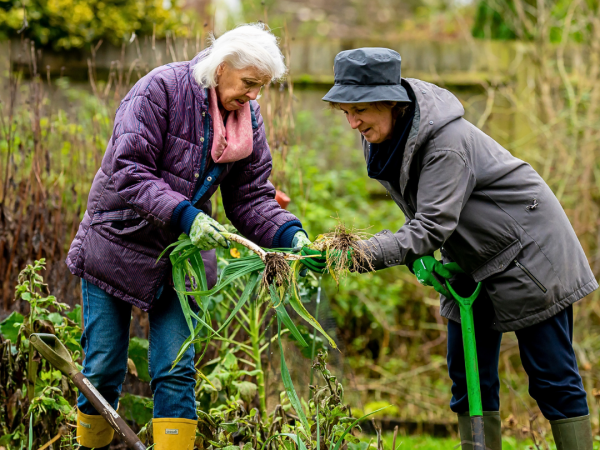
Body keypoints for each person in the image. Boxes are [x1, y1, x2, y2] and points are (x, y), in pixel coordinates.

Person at [305, 47, 598, 450]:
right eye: (345, 113)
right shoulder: (385, 139)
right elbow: (428, 214)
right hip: (472, 259)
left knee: (552, 377)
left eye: (360, 111)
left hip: (531, 253)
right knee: (467, 376)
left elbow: (430, 226)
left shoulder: (446, 143)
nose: (353, 122)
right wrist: (421, 256)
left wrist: (363, 252)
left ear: (391, 101)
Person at [66, 24, 311, 450]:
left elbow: (251, 197)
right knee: (104, 365)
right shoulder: (160, 89)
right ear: (221, 68)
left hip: (180, 256)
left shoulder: (245, 118)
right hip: (117, 241)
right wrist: (186, 214)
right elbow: (128, 169)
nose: (255, 96)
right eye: (249, 84)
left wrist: (292, 236)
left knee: (176, 367)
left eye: (262, 87)